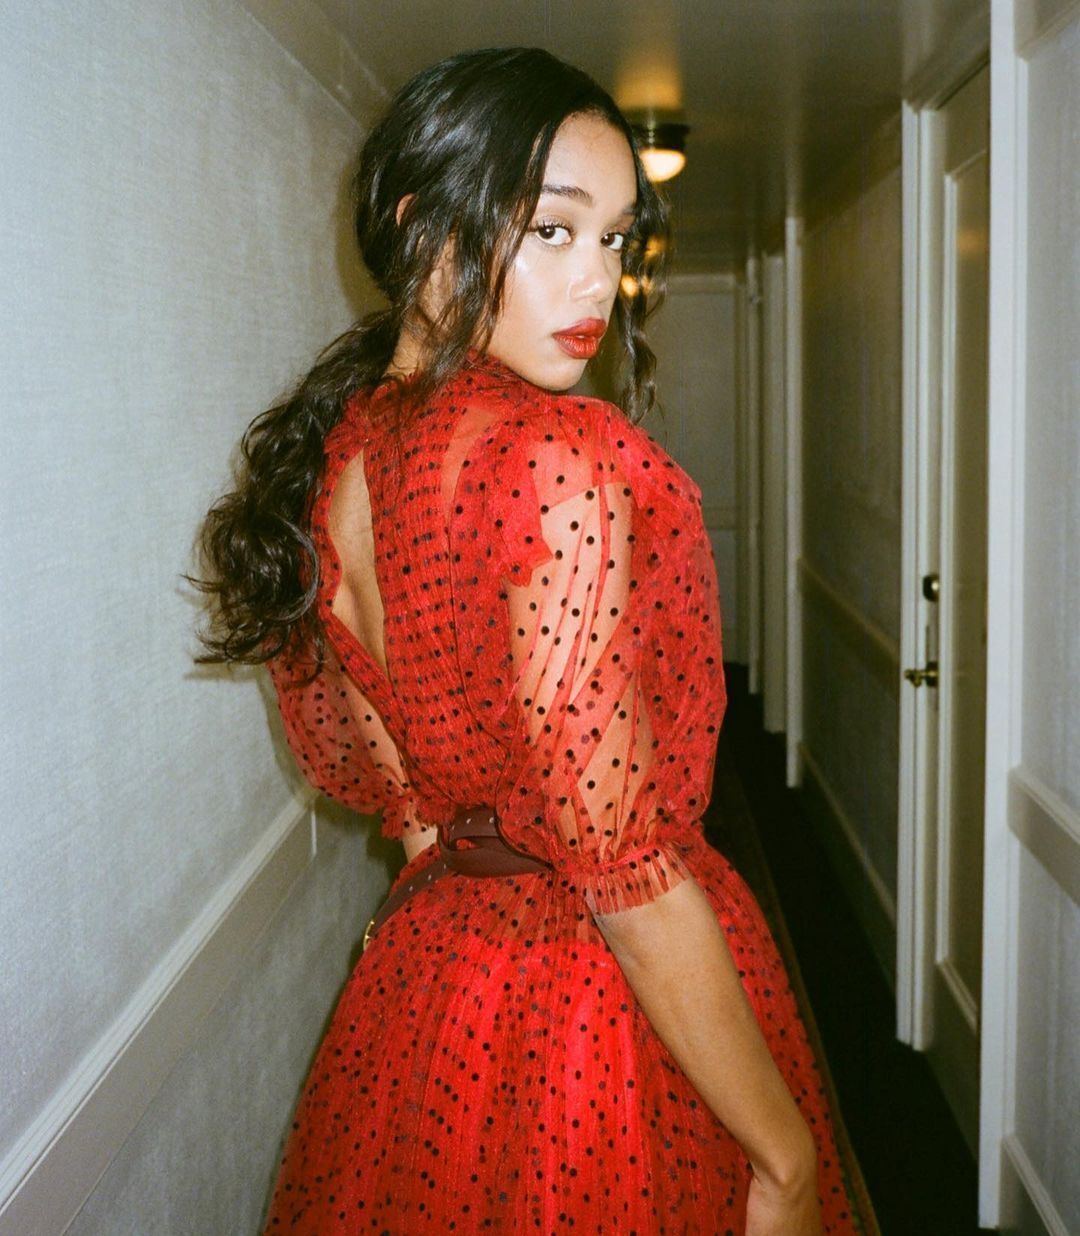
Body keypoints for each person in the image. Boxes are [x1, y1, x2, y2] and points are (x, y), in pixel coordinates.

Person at [195, 46, 857, 1235]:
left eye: (615, 240)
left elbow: (410, 820)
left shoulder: (339, 459)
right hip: (592, 1015)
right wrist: (788, 1160)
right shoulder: (562, 458)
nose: (598, 283)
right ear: (422, 228)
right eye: (554, 231)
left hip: (437, 991)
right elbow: (630, 889)